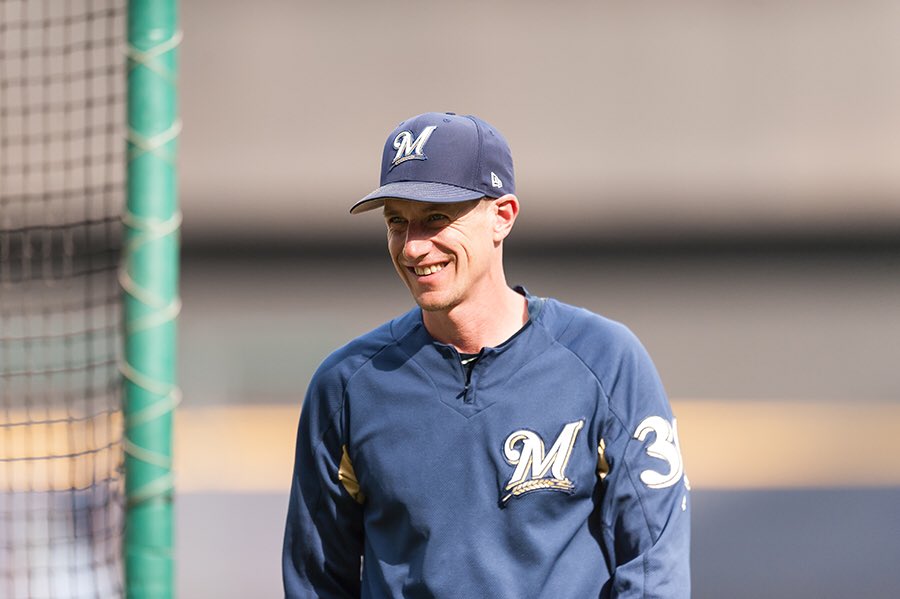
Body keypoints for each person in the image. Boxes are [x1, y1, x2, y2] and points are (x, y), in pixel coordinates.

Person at [283, 112, 691, 598]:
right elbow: (316, 582)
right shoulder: (348, 384)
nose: (413, 247)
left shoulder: (604, 360)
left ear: (503, 216)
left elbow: (653, 569)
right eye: (397, 221)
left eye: (436, 218)